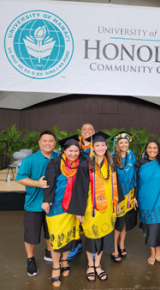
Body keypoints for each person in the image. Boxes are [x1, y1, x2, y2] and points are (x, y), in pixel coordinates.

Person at [68, 131, 124, 282]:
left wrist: (117, 202)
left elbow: (116, 184)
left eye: (102, 145)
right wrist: (79, 211)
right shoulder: (86, 165)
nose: (100, 147)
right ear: (93, 148)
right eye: (97, 145)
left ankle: (98, 265)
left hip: (108, 210)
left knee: (104, 237)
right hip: (91, 209)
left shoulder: (110, 164)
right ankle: (90, 265)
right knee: (92, 238)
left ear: (106, 147)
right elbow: (79, 188)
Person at [42, 135, 82, 287]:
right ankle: (56, 266)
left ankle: (65, 260)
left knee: (70, 237)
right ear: (64, 151)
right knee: (57, 238)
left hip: (74, 207)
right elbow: (49, 183)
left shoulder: (81, 164)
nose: (73, 154)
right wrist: (46, 201)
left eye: (76, 151)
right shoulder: (55, 163)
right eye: (70, 151)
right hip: (57, 207)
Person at [16, 130, 58, 276]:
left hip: (54, 205)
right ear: (39, 143)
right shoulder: (30, 160)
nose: (48, 143)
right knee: (31, 235)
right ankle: (30, 259)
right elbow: (20, 178)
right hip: (34, 204)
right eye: (44, 140)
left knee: (51, 232)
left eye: (51, 141)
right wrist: (37, 184)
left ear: (55, 143)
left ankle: (49, 253)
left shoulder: (59, 158)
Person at [134, 140, 160, 266]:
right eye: (149, 147)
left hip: (159, 201)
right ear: (146, 149)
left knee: (156, 228)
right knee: (147, 228)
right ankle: (153, 250)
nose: (152, 150)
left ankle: (157, 248)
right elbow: (135, 182)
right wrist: (134, 197)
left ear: (158, 150)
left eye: (155, 148)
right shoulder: (140, 164)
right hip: (144, 201)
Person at [67, 123, 95, 260]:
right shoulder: (75, 145)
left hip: (92, 185)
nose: (87, 131)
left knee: (89, 215)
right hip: (74, 184)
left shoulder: (97, 145)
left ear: (94, 132)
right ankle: (76, 243)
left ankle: (92, 246)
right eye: (85, 129)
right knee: (75, 217)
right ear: (81, 131)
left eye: (90, 129)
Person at [111, 131, 137, 263]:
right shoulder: (112, 157)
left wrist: (134, 196)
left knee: (126, 221)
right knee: (118, 223)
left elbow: (134, 175)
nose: (124, 145)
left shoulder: (131, 155)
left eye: (126, 142)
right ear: (117, 144)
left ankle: (122, 244)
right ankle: (114, 248)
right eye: (121, 142)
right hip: (118, 194)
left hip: (130, 194)